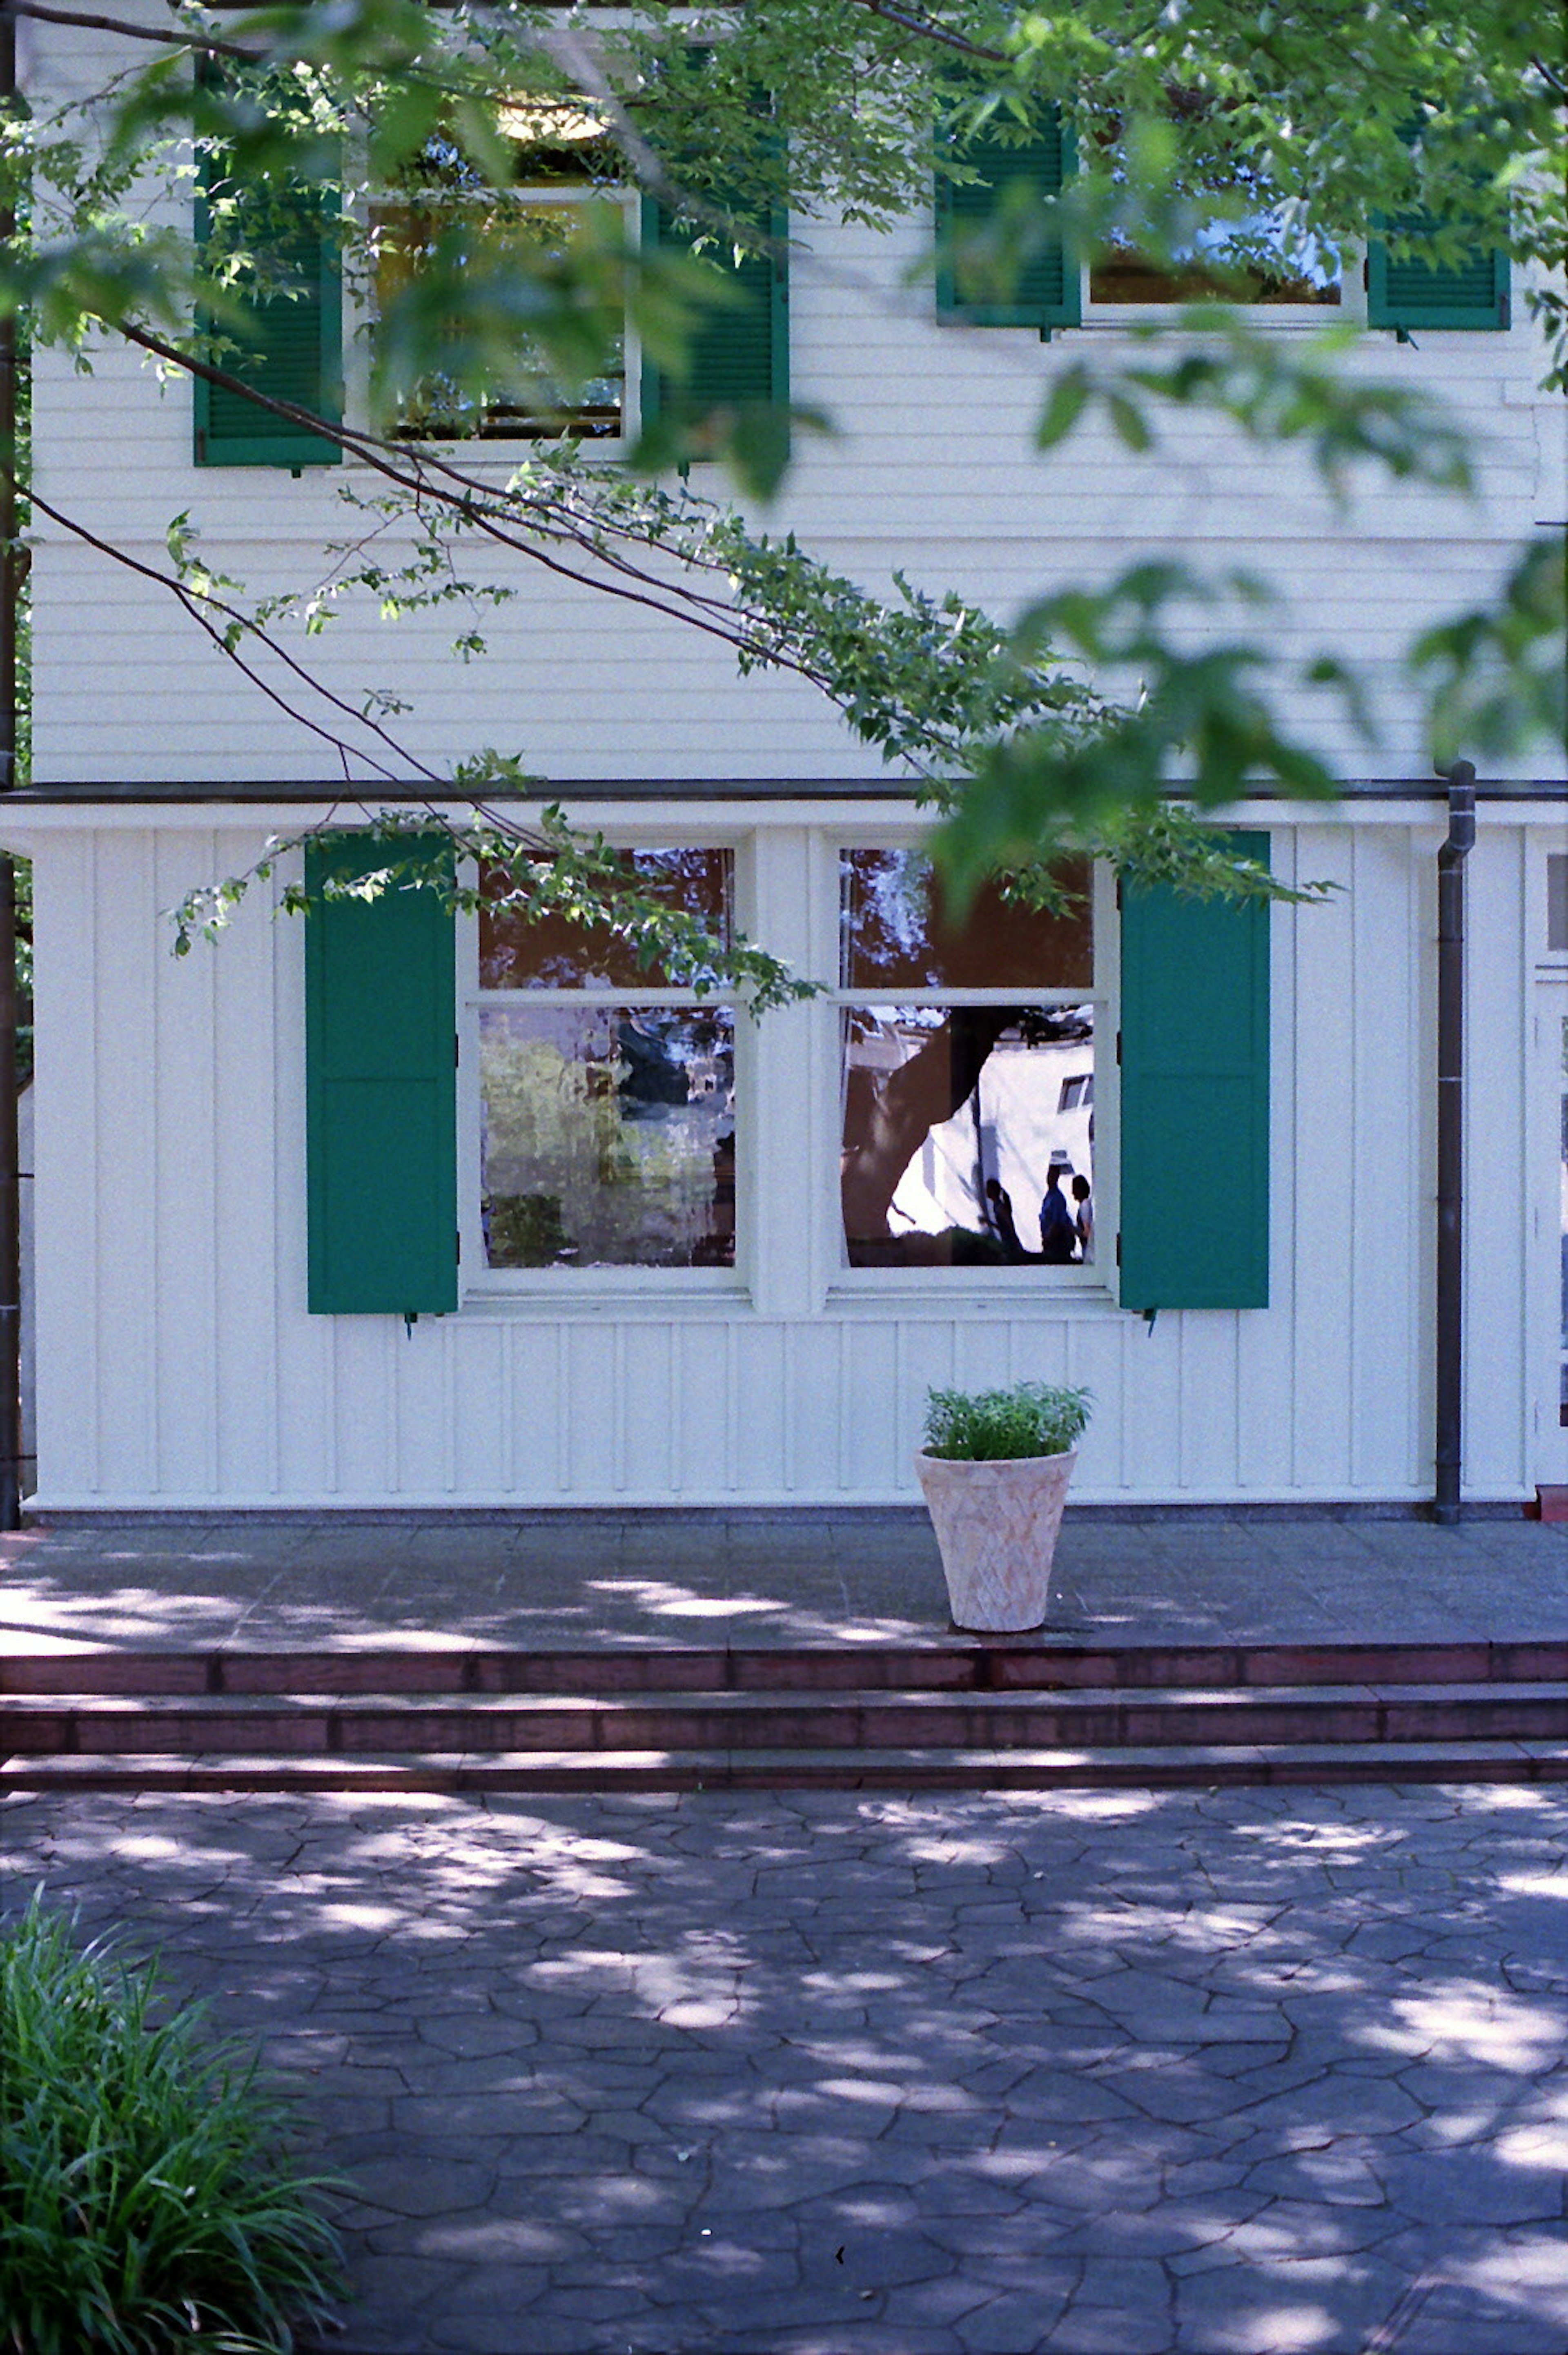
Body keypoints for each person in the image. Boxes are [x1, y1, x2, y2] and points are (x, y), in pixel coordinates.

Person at [1038, 1165, 1077, 1263]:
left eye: (1053, 1175)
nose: (1050, 1178)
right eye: (1049, 1174)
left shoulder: (1057, 1198)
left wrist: (1048, 1238)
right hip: (1049, 1242)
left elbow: (1057, 1223)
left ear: (1057, 1177)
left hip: (1056, 1243)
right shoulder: (1049, 1196)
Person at [984, 1176, 1023, 1257]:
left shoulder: (1000, 1207)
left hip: (1010, 1241)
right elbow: (1002, 1226)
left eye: (988, 1189)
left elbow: (1009, 1223)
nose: (986, 1191)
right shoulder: (996, 1206)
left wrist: (1013, 1238)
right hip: (1006, 1239)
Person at [1071, 1173, 1094, 1264]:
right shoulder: (1086, 1205)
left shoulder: (1085, 1206)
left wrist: (1073, 1230)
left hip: (1088, 1250)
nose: (1073, 1193)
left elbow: (1087, 1233)